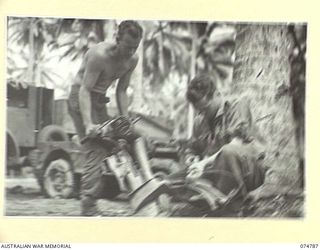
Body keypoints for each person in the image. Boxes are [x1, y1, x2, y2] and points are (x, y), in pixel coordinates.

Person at [68, 20, 143, 216]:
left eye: (135, 47)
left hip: (100, 101)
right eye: (127, 47)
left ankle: (140, 191)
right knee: (96, 147)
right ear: (117, 39)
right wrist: (88, 124)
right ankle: (88, 205)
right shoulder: (98, 55)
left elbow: (122, 91)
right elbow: (85, 90)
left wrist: (125, 121)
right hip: (80, 98)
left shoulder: (132, 59)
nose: (130, 52)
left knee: (118, 143)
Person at [185, 74, 267, 214]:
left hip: (250, 171)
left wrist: (203, 164)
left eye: (205, 108)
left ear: (216, 95)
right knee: (183, 177)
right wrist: (192, 159)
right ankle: (219, 198)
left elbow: (236, 144)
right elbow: (192, 149)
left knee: (228, 151)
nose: (202, 114)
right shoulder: (199, 121)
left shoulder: (236, 105)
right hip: (218, 173)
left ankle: (232, 201)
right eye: (199, 110)